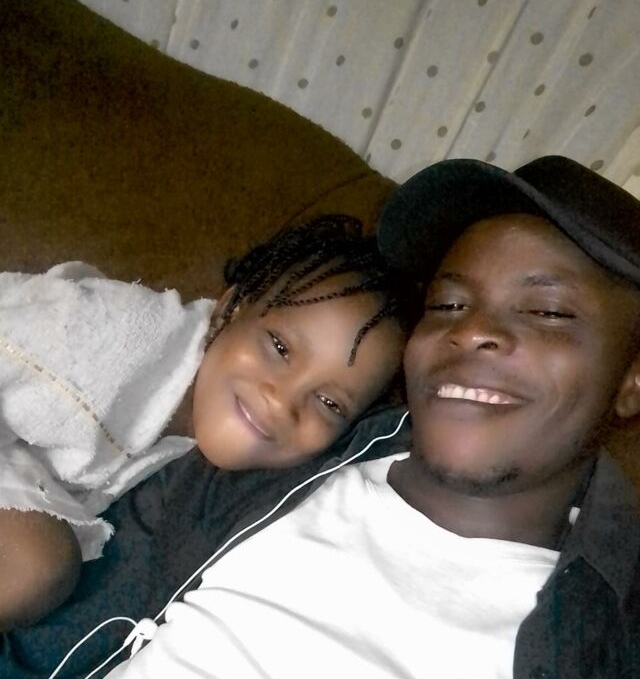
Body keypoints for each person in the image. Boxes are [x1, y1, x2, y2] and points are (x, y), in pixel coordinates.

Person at [1, 155, 640, 679]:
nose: (469, 331)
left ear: (632, 380)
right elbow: (48, 641)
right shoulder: (264, 463)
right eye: (448, 305)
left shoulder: (615, 661)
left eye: (547, 311)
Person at [0, 215, 416, 630]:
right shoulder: (116, 335)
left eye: (329, 402)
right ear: (230, 310)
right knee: (35, 564)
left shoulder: (203, 465)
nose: (281, 402)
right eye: (279, 347)